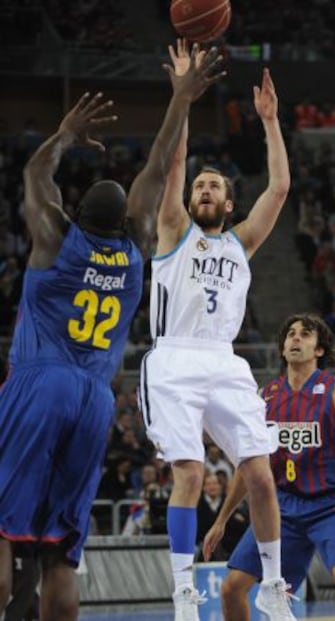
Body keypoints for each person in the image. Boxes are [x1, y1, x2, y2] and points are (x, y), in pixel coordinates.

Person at [0, 42, 225, 621]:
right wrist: (180, 98)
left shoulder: (54, 236)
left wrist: (65, 134)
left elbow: (33, 172)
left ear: (73, 214)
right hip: (95, 399)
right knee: (59, 555)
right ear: (128, 222)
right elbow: (156, 168)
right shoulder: (135, 252)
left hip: (40, 383)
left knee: (2, 529)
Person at [138, 40, 292, 621]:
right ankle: (183, 593)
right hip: (174, 359)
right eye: (199, 185)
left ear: (229, 202)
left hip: (225, 361)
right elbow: (173, 166)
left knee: (260, 474)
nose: (202, 190)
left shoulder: (241, 241)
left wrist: (271, 123)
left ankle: (275, 588)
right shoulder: (174, 228)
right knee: (191, 473)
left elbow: (278, 189)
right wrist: (181, 95)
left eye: (213, 187)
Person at [203, 314, 335, 621]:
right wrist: (221, 519)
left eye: (305, 334)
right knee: (231, 588)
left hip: (333, 504)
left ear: (319, 350)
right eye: (290, 334)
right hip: (284, 509)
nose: (296, 338)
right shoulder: (266, 397)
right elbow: (249, 464)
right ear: (282, 348)